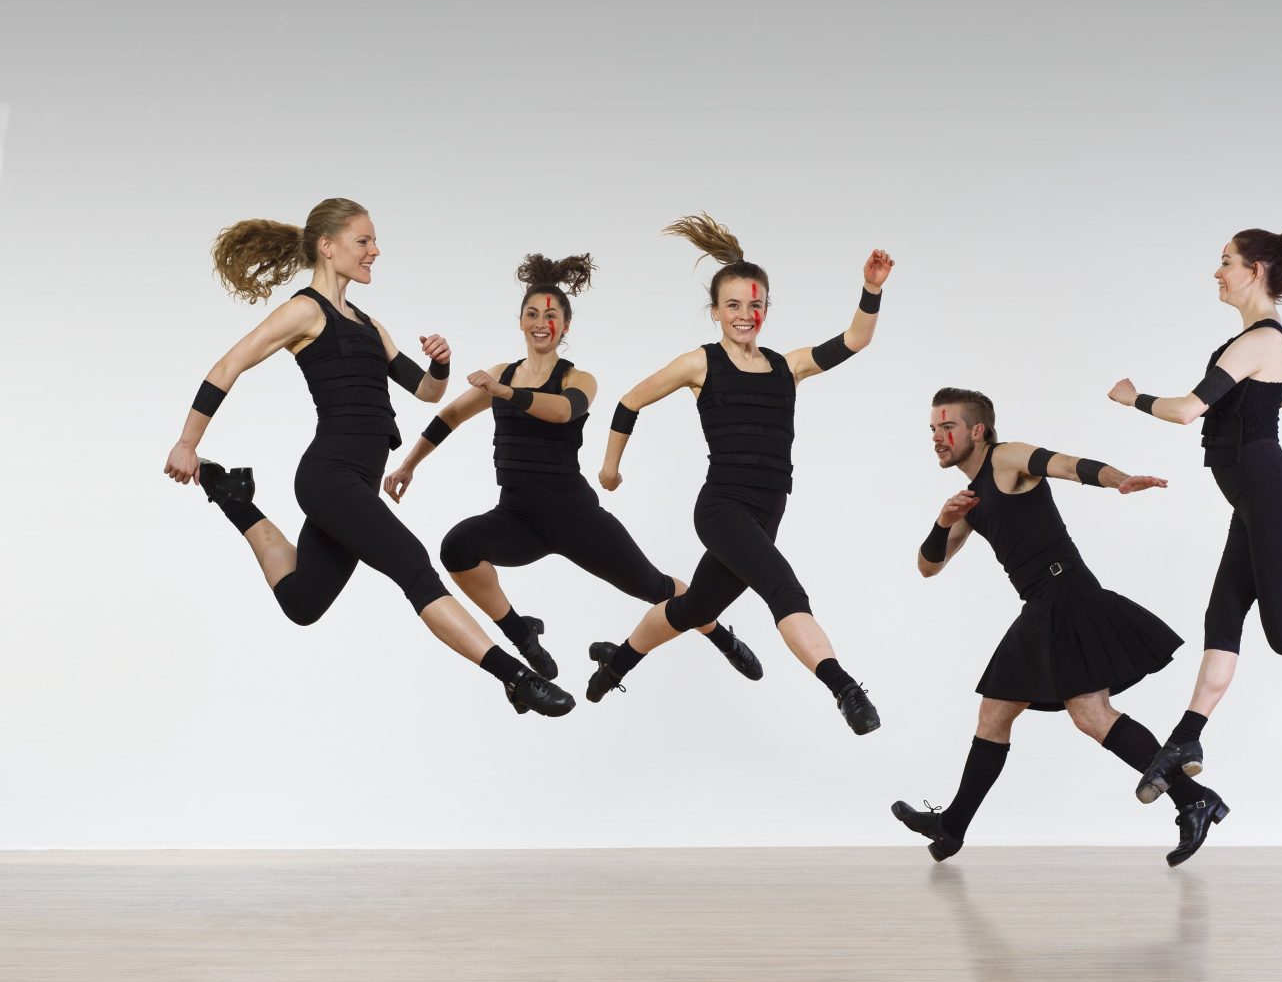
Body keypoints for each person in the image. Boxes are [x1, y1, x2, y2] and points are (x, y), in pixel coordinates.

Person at [162, 198, 574, 717]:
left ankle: (235, 501)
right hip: (329, 477)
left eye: (374, 242)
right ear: (327, 246)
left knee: (303, 603)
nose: (375, 251)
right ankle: (515, 676)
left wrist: (439, 364)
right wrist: (187, 442)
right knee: (414, 567)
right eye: (364, 241)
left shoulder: (368, 324)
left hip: (355, 477)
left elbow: (425, 392)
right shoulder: (304, 310)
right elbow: (229, 364)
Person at [382, 253, 761, 710]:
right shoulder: (502, 372)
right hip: (516, 518)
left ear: (565, 326)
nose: (541, 323)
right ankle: (522, 633)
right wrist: (408, 465)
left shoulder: (578, 379)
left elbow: (563, 411)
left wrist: (504, 393)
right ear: (521, 321)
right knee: (456, 549)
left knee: (657, 588)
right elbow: (450, 416)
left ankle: (720, 635)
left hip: (576, 518)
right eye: (533, 314)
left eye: (552, 316)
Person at [891, 388, 1228, 867]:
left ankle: (1192, 799)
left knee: (1091, 716)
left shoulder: (1005, 458)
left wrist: (1119, 480)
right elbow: (928, 567)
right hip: (1041, 607)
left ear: (978, 431)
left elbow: (1067, 464)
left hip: (1068, 597)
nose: (938, 438)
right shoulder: (970, 499)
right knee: (995, 715)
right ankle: (951, 828)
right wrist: (944, 521)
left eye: (948, 427)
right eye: (933, 430)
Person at [591, 214, 892, 735]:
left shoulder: (788, 366)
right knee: (783, 588)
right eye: (733, 305)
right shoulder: (700, 364)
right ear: (714, 311)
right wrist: (610, 468)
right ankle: (845, 688)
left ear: (766, 308)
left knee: (691, 608)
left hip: (766, 512)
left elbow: (856, 340)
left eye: (755, 304)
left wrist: (869, 289)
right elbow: (628, 401)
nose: (745, 314)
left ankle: (616, 663)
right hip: (721, 508)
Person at [1107, 225, 1282, 798]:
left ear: (1255, 271)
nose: (1217, 271)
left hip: (1274, 497)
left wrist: (1133, 398)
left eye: (1226, 261)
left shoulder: (1264, 342)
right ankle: (1186, 737)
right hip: (1255, 501)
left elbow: (1186, 411)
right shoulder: (1262, 344)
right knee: (1222, 619)